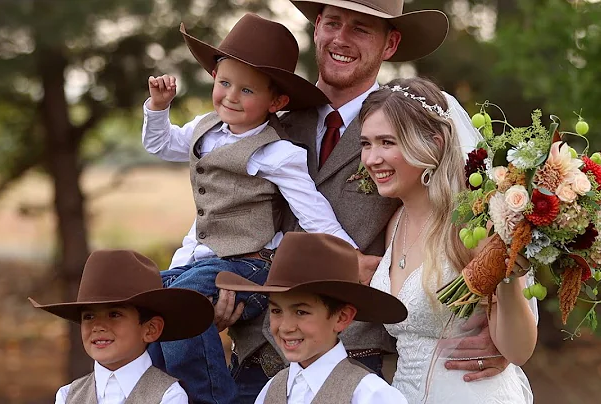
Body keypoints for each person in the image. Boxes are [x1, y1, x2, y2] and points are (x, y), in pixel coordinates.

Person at [213, 2, 526, 402]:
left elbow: (496, 226)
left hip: (355, 364)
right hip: (257, 361)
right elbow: (221, 215)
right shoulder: (267, 119)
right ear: (316, 29)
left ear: (390, 43)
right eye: (332, 23)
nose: (340, 38)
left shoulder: (416, 125)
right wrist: (221, 285)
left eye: (361, 28)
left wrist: (494, 334)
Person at [142, 13, 361, 403]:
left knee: (184, 304)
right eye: (224, 83)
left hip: (249, 263)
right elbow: (160, 145)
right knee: (145, 300)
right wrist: (158, 108)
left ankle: (210, 398)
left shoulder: (276, 151)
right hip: (197, 258)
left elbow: (312, 210)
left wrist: (350, 258)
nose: (230, 96)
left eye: (246, 91)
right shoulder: (203, 128)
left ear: (275, 101)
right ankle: (164, 393)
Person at [361, 77, 537, 403]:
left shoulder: (476, 224)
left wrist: (509, 273)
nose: (372, 159)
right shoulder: (395, 223)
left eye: (387, 142)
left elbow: (519, 350)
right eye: (366, 144)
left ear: (436, 142)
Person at [215, 232, 410, 404]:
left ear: (342, 317)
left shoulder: (370, 395)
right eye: (276, 311)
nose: (286, 327)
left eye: (301, 312)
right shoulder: (271, 390)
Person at [28, 249, 215, 404]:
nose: (98, 326)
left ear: (150, 329)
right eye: (89, 316)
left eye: (114, 314)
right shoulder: (67, 396)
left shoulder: (169, 396)